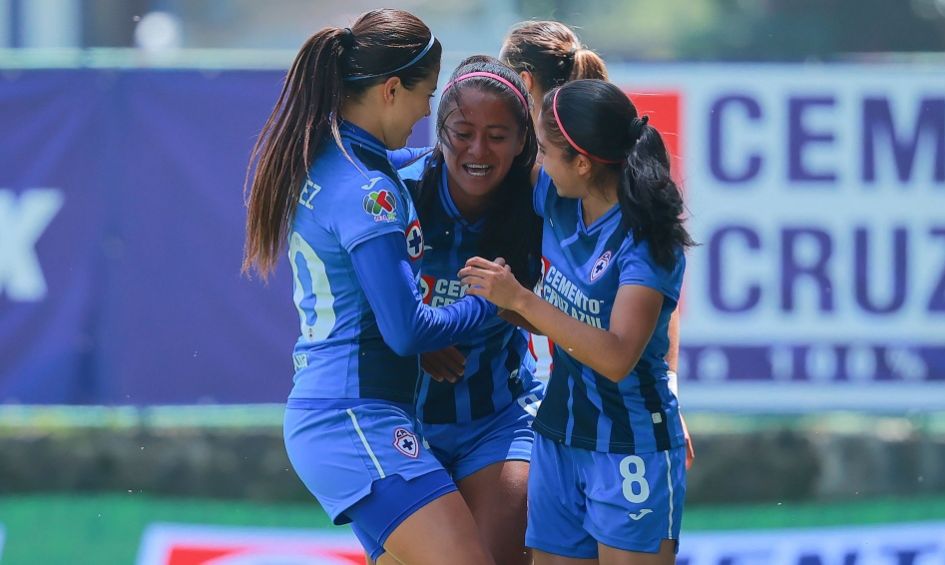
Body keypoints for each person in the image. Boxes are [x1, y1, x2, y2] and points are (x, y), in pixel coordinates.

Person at [242, 10, 496, 565]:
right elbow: (408, 331)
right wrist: (500, 304)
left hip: (343, 415)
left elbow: (422, 163)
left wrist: (480, 152)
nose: (426, 112)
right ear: (389, 90)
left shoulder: (339, 162)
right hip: (353, 418)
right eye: (424, 94)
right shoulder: (367, 192)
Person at [460, 79, 695, 564]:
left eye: (545, 152)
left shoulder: (646, 242)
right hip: (558, 436)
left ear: (583, 163)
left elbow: (615, 355)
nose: (538, 164)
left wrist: (521, 301)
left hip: (630, 445)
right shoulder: (558, 197)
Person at [500, 21, 693, 468]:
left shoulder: (563, 174)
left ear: (523, 83)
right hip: (555, 410)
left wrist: (665, 398)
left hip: (610, 420)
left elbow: (654, 298)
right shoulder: (554, 176)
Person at [392, 55, 543, 565]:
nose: (478, 150)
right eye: (462, 132)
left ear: (523, 142)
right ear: (439, 131)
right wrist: (413, 338)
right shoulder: (395, 191)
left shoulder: (541, 203)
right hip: (399, 425)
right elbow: (343, 295)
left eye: (498, 135)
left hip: (499, 418)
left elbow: (578, 309)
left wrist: (514, 304)